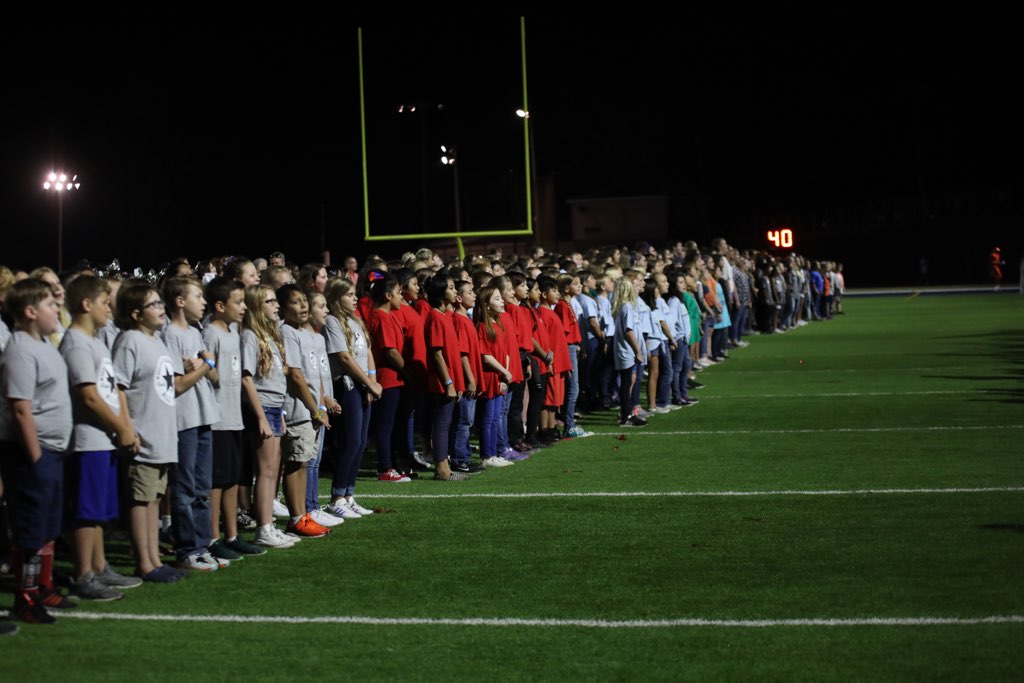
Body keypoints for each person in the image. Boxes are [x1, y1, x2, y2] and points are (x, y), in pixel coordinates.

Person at [59, 275, 142, 601]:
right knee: (87, 510)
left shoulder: (93, 341)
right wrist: (121, 427)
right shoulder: (76, 342)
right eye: (105, 303)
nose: (110, 308)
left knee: (99, 509)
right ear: (86, 304)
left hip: (102, 438)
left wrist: (123, 426)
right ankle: (83, 574)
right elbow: (89, 396)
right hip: (86, 439)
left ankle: (99, 565)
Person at [0, 279, 76, 623]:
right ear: (30, 312)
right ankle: (26, 597)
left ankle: (43, 586)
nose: (56, 309)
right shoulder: (20, 350)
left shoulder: (43, 343)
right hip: (31, 453)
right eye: (49, 304)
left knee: (47, 524)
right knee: (30, 527)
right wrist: (35, 458)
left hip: (51, 452)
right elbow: (20, 409)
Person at [111, 282, 186, 582]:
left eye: (159, 303)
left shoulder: (157, 340)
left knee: (154, 498)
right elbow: (117, 387)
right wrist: (127, 428)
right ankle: (143, 562)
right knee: (141, 500)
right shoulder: (129, 340)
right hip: (142, 435)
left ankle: (154, 558)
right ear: (135, 313)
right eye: (153, 305)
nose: (161, 308)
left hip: (162, 435)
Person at [162, 277, 223, 571]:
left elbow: (215, 377)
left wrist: (203, 366)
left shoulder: (196, 332)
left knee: (202, 487)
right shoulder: (170, 334)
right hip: (183, 419)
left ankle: (202, 545)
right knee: (184, 487)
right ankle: (187, 549)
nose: (204, 302)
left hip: (203, 415)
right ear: (179, 301)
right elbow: (177, 385)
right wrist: (205, 365)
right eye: (197, 296)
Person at [202, 277, 265, 559]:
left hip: (234, 417)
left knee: (231, 480)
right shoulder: (210, 333)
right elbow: (207, 372)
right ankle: (212, 537)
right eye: (238, 302)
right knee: (216, 482)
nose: (243, 307)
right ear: (219, 306)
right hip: (217, 419)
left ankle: (232, 534)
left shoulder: (233, 332)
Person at [240, 284, 295, 549]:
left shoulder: (269, 335)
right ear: (256, 307)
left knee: (272, 470)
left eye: (275, 301)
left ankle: (268, 526)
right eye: (269, 302)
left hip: (273, 407)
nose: (276, 305)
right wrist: (261, 416)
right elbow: (246, 378)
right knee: (265, 471)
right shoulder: (250, 336)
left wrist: (279, 413)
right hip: (261, 407)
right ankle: (263, 528)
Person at [277, 284, 332, 538]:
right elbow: (296, 375)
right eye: (295, 302)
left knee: (303, 462)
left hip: (310, 409)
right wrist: (314, 408)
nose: (303, 306)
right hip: (298, 408)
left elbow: (316, 375)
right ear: (283, 308)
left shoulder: (307, 334)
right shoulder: (287, 332)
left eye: (304, 301)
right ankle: (296, 517)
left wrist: (321, 405)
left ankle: (302, 516)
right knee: (295, 463)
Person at [322, 278, 379, 519]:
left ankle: (349, 494)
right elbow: (344, 357)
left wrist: (372, 380)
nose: (355, 298)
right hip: (347, 385)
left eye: (354, 294)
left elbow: (367, 351)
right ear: (336, 298)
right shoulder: (332, 321)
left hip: (362, 385)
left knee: (361, 442)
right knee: (351, 441)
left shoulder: (355, 320)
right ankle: (337, 497)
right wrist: (369, 383)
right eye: (349, 295)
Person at [422, 272, 468, 481]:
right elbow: (437, 353)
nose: (455, 291)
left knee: (446, 421)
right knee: (441, 422)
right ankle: (441, 468)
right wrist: (448, 381)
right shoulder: (435, 317)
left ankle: (445, 465)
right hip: (442, 381)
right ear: (441, 293)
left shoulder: (444, 316)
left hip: (450, 380)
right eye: (450, 288)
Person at [475, 285, 515, 468]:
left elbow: (504, 352)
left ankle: (494, 453)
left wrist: (505, 374)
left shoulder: (498, 324)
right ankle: (487, 455)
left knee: (496, 416)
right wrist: (503, 372)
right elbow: (486, 355)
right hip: (490, 376)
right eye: (497, 299)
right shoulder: (483, 327)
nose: (502, 302)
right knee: (488, 417)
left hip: (499, 376)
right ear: (487, 305)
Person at [612, 278, 647, 427]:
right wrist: (638, 350)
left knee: (627, 383)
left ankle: (626, 414)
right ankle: (626, 416)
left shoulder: (624, 306)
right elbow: (629, 331)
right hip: (627, 350)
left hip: (625, 349)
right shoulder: (626, 306)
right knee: (626, 384)